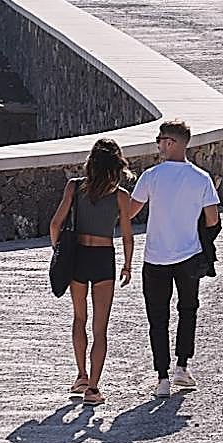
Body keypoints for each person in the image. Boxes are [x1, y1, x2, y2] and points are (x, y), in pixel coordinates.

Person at [129, 119, 220, 398]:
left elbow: (129, 212)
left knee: (158, 318)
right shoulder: (201, 178)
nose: (158, 145)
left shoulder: (151, 176)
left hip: (155, 257)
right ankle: (182, 365)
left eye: (160, 140)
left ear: (170, 143)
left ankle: (162, 378)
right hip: (189, 256)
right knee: (188, 310)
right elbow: (212, 219)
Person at [48, 138, 135, 406]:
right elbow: (127, 236)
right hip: (103, 258)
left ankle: (81, 375)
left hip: (79, 256)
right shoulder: (121, 196)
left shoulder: (74, 187)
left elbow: (55, 225)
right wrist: (127, 264)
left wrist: (60, 251)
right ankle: (94, 389)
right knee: (100, 328)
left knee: (79, 318)